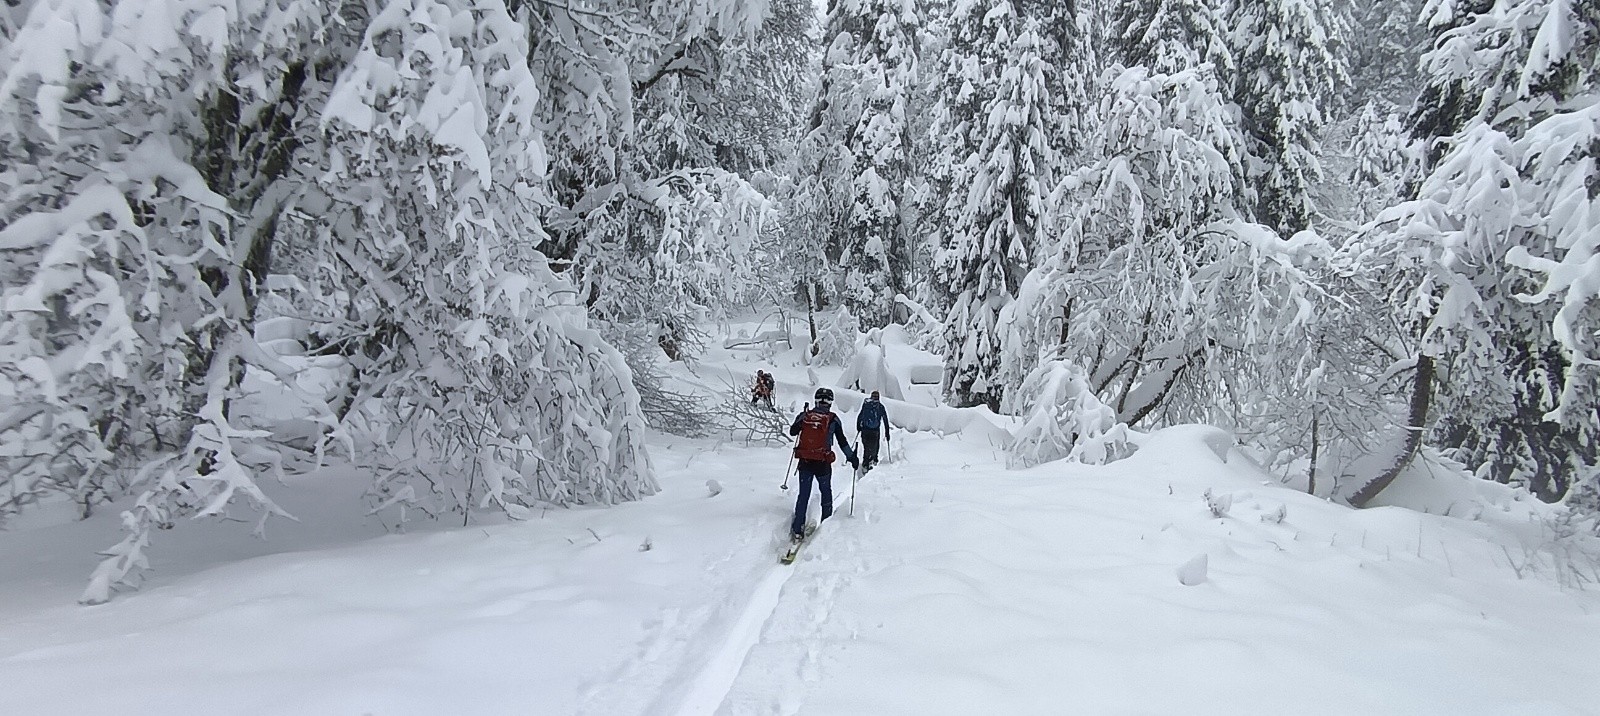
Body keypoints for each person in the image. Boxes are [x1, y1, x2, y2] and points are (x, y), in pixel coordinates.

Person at [788, 388, 859, 541]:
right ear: (830, 402)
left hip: (805, 461)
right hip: (822, 463)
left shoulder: (806, 416)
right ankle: (826, 525)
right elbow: (842, 442)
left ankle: (797, 528)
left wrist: (803, 418)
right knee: (826, 492)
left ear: (816, 400)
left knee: (804, 494)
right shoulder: (833, 419)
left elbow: (793, 432)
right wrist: (852, 458)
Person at [856, 390, 891, 470]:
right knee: (875, 446)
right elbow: (885, 419)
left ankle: (866, 463)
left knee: (866, 446)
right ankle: (874, 460)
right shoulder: (880, 407)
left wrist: (858, 426)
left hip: (865, 429)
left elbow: (860, 415)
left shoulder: (866, 404)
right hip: (875, 430)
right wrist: (887, 432)